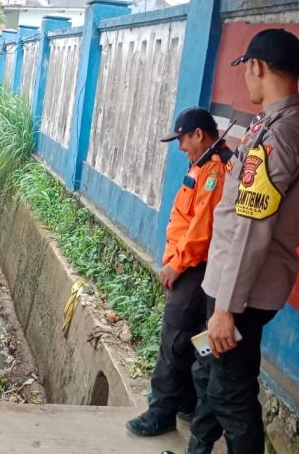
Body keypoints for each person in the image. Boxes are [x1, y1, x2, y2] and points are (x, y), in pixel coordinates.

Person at [185, 29, 299, 454]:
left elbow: (251, 224)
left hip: (239, 292)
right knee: (210, 371)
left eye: (247, 70)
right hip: (233, 282)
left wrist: (226, 308)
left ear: (257, 67)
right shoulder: (287, 124)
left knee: (230, 390)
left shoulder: (281, 133)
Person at [127, 107, 232, 438]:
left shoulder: (215, 171)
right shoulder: (202, 166)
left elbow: (202, 228)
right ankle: (186, 403)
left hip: (195, 269)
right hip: (190, 265)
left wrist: (177, 263)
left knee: (173, 341)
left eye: (183, 139)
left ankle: (160, 413)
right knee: (190, 341)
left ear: (199, 134)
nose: (180, 147)